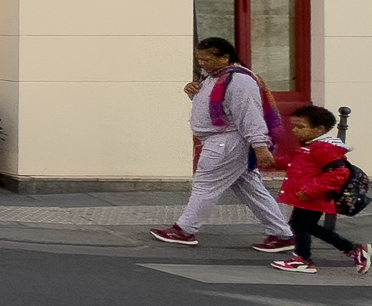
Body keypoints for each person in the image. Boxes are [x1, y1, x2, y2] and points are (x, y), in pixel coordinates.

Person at [150, 37, 294, 248]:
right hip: (224, 140)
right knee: (251, 189)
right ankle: (282, 234)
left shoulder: (239, 81)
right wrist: (193, 94)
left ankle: (185, 229)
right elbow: (214, 106)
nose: (202, 63)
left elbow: (250, 115)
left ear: (225, 58)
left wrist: (260, 146)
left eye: (207, 59)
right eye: (199, 59)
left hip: (226, 142)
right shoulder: (215, 78)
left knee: (205, 185)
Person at [267, 105, 367, 274]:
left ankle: (303, 259)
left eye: (301, 127)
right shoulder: (311, 146)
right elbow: (296, 162)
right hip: (309, 196)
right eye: (294, 127)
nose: (296, 131)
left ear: (319, 129)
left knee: (300, 225)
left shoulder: (324, 148)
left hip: (313, 197)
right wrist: (273, 161)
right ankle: (354, 250)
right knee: (308, 226)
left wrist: (309, 190)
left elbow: (338, 173)